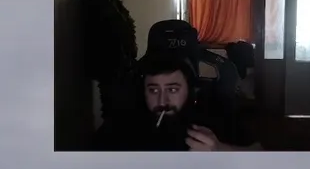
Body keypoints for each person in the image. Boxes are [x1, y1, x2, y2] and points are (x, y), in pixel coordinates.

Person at [94, 52, 260, 151]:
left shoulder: (214, 118)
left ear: (190, 90)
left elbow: (259, 152)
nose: (162, 100)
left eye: (172, 90)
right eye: (153, 90)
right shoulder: (121, 126)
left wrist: (220, 150)